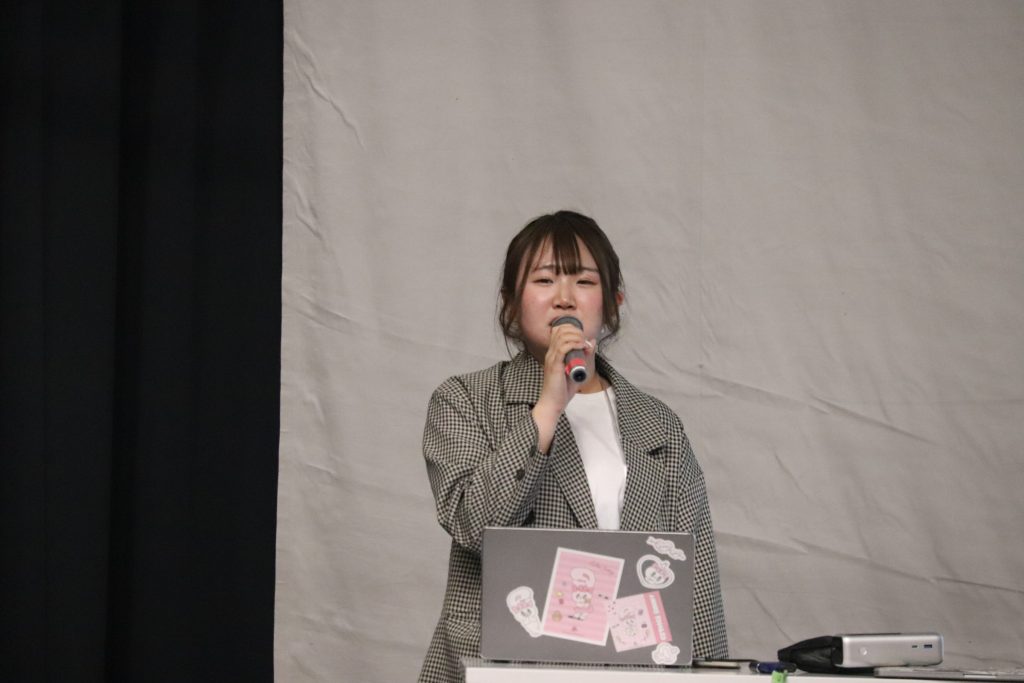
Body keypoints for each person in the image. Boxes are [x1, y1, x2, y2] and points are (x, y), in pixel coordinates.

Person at [418, 210, 728, 683]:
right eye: (544, 279)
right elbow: (475, 526)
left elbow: (695, 577)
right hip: (500, 671)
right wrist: (548, 405)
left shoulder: (658, 424)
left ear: (613, 302)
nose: (564, 297)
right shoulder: (466, 400)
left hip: (628, 673)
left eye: (584, 281)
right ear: (511, 303)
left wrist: (711, 673)